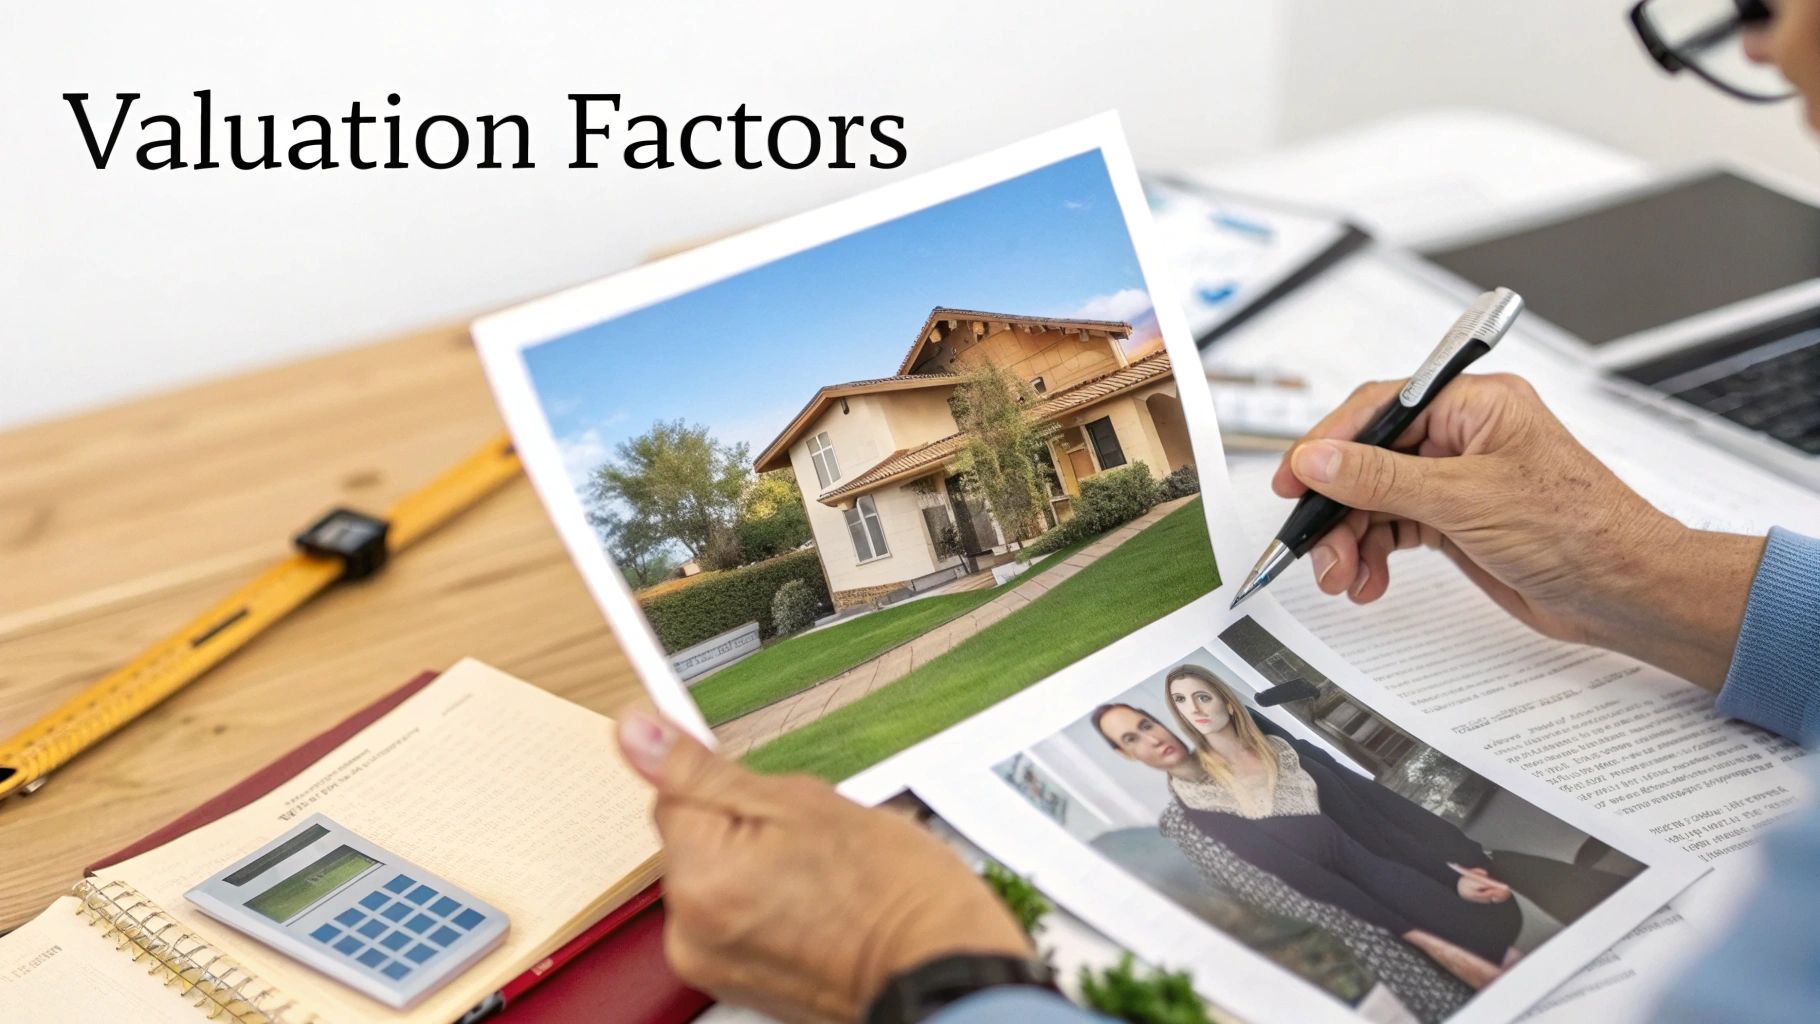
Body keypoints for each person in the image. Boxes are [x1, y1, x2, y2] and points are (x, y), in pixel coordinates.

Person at [618, 5, 1820, 1020]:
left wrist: (918, 963)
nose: (1757, 55)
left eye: (1762, 2)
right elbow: (1320, 898)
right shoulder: (1217, 799)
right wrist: (1653, 573)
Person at [1089, 700, 1476, 1020]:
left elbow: (1348, 813)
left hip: (1390, 885)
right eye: (1132, 738)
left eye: (1147, 724)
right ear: (1125, 754)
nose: (1151, 739)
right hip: (1343, 942)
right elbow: (1238, 894)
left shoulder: (1244, 756)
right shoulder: (1179, 826)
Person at [1146, 667, 1522, 983]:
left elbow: (1373, 812)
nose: (1192, 709)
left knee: (1506, 952)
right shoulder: (1204, 800)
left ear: (1227, 702)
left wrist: (1451, 868)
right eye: (1180, 701)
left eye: (1202, 697)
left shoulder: (1283, 750)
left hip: (1402, 873)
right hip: (1360, 917)